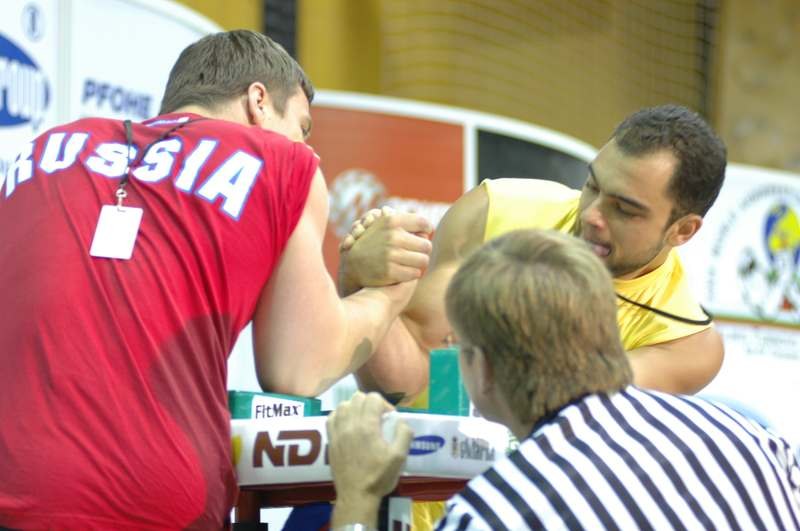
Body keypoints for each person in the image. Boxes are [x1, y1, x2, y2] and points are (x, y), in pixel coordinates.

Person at [0, 30, 431, 529]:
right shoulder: (282, 163)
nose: (306, 147)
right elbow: (299, 370)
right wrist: (387, 294)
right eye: (302, 127)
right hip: (152, 504)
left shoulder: (43, 148)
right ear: (258, 101)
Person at [327, 229, 800, 530]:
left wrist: (358, 496)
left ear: (482, 368)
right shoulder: (755, 444)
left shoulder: (498, 512)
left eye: (459, 346)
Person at [339, 104, 727, 402]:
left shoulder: (686, 343)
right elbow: (408, 383)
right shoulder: (494, 211)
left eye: (624, 209)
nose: (591, 215)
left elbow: (573, 410)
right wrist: (364, 284)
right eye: (592, 186)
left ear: (682, 230)